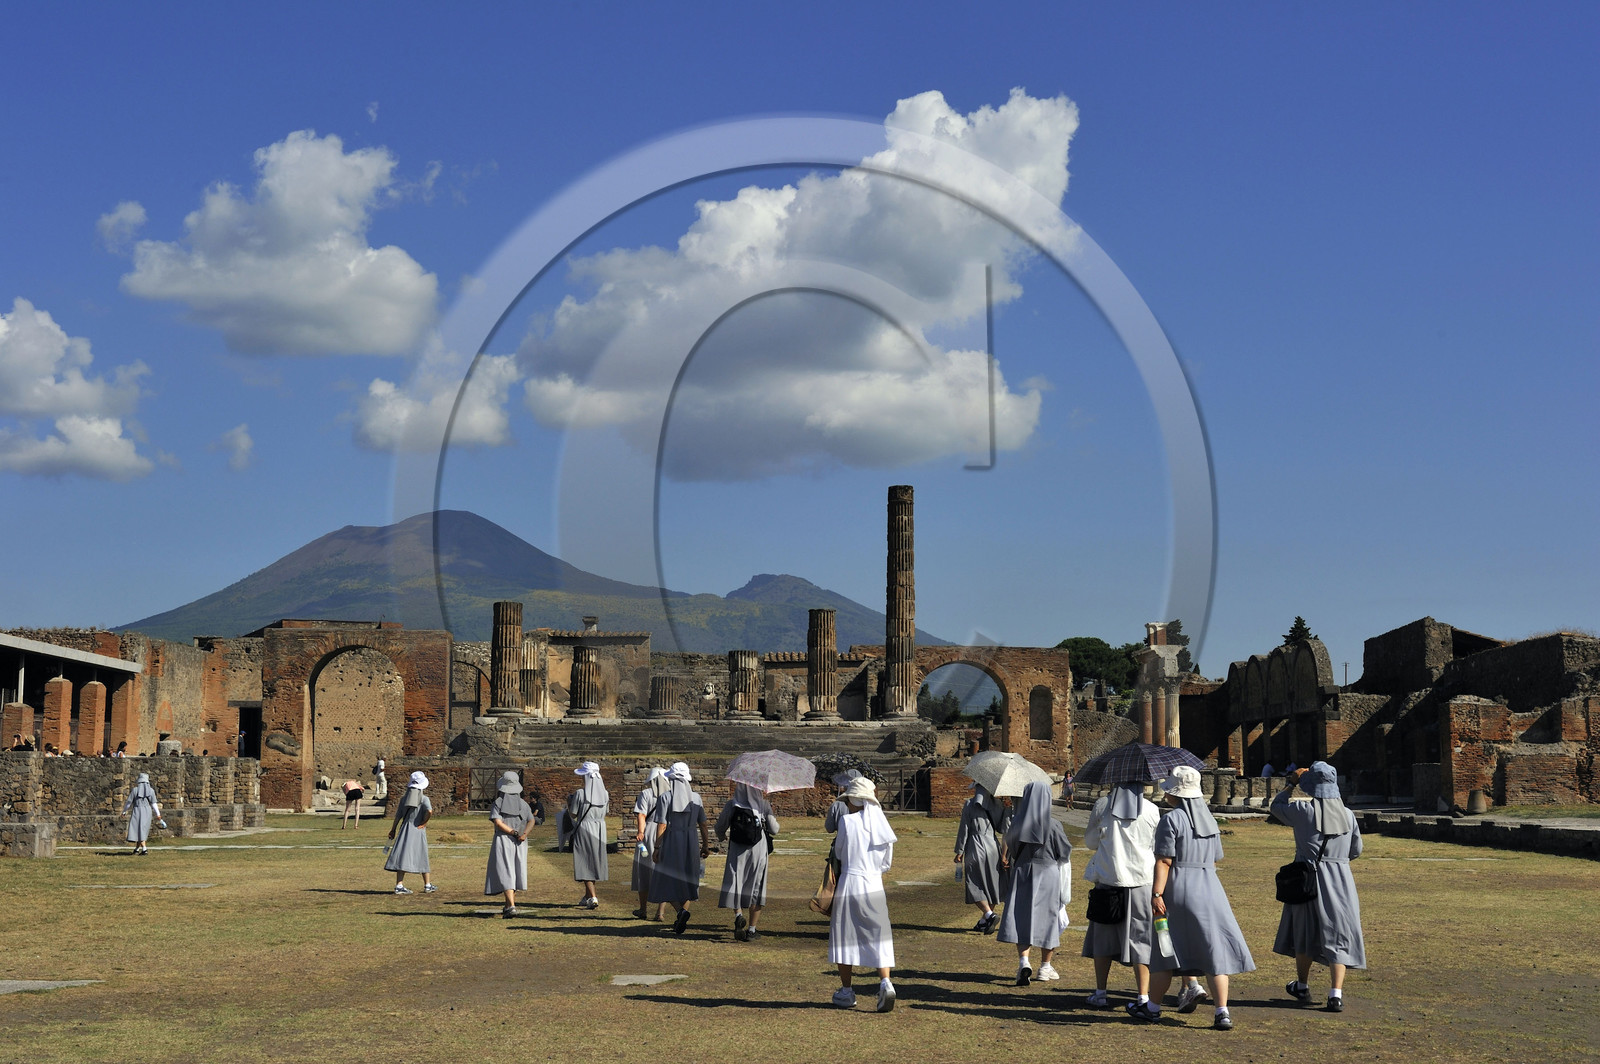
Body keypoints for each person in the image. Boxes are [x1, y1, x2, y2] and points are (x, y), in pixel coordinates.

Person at [1146, 765, 1255, 1030]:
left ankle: (1151, 1008)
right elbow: (1217, 857)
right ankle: (1222, 1011)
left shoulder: (1171, 820)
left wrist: (1157, 893)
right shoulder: (1211, 821)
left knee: (1166, 950)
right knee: (1214, 952)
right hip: (1211, 887)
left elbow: (1164, 861)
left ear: (1177, 794)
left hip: (1180, 887)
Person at [1272, 761, 1366, 1012]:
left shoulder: (1303, 810)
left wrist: (1292, 783)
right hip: (1340, 880)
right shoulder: (1347, 815)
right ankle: (1336, 993)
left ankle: (1302, 985)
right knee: (1339, 935)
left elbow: (1276, 807)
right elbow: (1356, 850)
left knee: (1305, 934)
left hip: (1308, 879)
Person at [1081, 781, 1173, 1012]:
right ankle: (1142, 995)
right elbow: (1155, 843)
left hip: (1108, 879)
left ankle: (1101, 992)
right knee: (1142, 939)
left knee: (1103, 939)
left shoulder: (1103, 805)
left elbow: (1091, 841)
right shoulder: (1151, 809)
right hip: (1142, 881)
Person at [828, 776, 898, 1012]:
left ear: (855, 800)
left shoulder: (847, 823)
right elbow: (886, 864)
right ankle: (885, 982)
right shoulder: (883, 827)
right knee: (879, 934)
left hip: (851, 881)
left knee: (844, 936)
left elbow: (839, 853)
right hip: (874, 883)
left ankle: (847, 990)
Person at [998, 780, 1073, 985]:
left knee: (1023, 916)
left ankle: (1024, 961)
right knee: (1048, 919)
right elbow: (1064, 852)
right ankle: (1045, 966)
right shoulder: (1054, 824)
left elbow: (1012, 848)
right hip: (1048, 872)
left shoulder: (1017, 822)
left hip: (1023, 870)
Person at [649, 761, 709, 935]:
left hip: (672, 841)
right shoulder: (696, 798)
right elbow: (703, 824)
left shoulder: (665, 797)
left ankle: (680, 912)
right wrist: (705, 845)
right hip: (691, 840)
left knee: (665, 878)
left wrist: (657, 847)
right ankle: (681, 915)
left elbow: (662, 825)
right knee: (687, 879)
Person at [715, 782, 778, 941]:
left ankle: (738, 915)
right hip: (758, 848)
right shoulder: (763, 805)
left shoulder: (732, 805)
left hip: (737, 848)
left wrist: (722, 837)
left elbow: (719, 827)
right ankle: (751, 929)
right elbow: (774, 829)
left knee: (736, 881)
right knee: (757, 885)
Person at [954, 782, 1008, 933]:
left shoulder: (970, 804)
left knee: (974, 883)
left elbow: (964, 828)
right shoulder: (997, 804)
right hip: (993, 845)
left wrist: (959, 850)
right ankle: (984, 921)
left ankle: (989, 914)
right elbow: (1002, 828)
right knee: (991, 883)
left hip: (975, 845)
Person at [485, 771, 533, 917]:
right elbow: (531, 821)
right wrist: (524, 834)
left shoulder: (498, 803)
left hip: (504, 839)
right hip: (520, 842)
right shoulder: (523, 804)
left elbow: (498, 822)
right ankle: (508, 905)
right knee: (515, 871)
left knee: (506, 871)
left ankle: (511, 905)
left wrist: (513, 833)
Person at [386, 770, 436, 895]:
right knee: (422, 855)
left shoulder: (404, 799)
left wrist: (393, 829)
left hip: (405, 829)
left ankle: (399, 884)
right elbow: (429, 811)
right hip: (417, 829)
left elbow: (398, 816)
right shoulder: (424, 799)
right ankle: (427, 884)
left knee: (403, 855)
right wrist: (424, 823)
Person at [568, 761, 610, 908]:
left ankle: (592, 896)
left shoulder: (580, 793)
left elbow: (572, 814)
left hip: (585, 827)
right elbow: (606, 812)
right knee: (594, 859)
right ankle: (587, 895)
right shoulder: (605, 794)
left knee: (584, 861)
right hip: (600, 828)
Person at [631, 766, 670, 921]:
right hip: (666, 833)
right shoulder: (670, 795)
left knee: (643, 869)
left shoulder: (646, 794)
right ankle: (660, 912)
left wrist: (641, 832)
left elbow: (641, 814)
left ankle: (643, 909)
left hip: (648, 835)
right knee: (662, 871)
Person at [123, 771, 161, 855]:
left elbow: (129, 802)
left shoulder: (135, 790)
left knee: (140, 829)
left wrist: (124, 811)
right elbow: (154, 804)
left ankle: (144, 849)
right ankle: (137, 849)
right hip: (147, 811)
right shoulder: (151, 790)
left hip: (137, 810)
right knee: (141, 829)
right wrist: (158, 814)